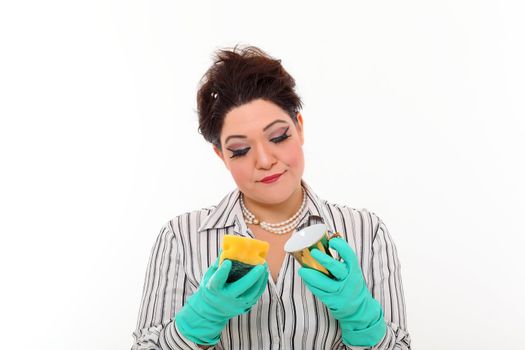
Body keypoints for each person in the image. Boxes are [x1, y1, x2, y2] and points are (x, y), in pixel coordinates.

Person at [131, 45, 411, 350]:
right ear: (221, 155)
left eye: (278, 137)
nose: (264, 160)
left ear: (299, 128)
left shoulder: (367, 233)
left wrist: (362, 320)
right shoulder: (181, 239)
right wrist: (199, 321)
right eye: (240, 150)